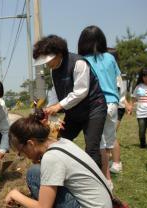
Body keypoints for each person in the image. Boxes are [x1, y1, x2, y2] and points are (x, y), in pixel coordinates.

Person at [5, 113, 112, 208]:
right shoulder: (63, 142)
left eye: (22, 152)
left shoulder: (51, 158)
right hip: (104, 206)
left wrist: (15, 195)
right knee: (37, 171)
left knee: (34, 174)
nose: (25, 156)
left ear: (30, 144)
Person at [33, 34, 107, 167]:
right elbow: (56, 92)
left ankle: (97, 182)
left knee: (92, 148)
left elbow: (81, 92)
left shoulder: (78, 63)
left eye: (48, 60)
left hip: (94, 108)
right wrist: (51, 110)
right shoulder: (53, 70)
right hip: (74, 110)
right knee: (59, 139)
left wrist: (58, 107)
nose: (47, 64)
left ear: (59, 53)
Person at [78, 25, 121, 190]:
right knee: (108, 142)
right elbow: (118, 80)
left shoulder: (83, 61)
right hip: (113, 104)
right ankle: (110, 169)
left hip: (98, 105)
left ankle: (106, 180)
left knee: (99, 145)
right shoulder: (110, 58)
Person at [108, 48, 132, 173]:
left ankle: (117, 163)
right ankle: (111, 159)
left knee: (111, 135)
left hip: (116, 107)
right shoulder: (113, 72)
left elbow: (116, 93)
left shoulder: (113, 73)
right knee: (110, 135)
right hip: (116, 106)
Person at [131, 67, 147, 155]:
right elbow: (134, 98)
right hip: (141, 112)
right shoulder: (139, 87)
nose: (146, 78)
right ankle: (142, 143)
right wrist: (130, 107)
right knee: (142, 131)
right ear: (142, 77)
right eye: (144, 76)